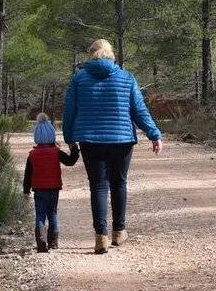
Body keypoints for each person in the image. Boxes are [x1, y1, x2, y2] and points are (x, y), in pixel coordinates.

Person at [62, 39, 162, 254]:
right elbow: (139, 110)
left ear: (92, 55)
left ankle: (101, 237)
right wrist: (154, 134)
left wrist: (69, 137)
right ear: (112, 55)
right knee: (119, 183)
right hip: (122, 139)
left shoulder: (78, 79)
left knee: (98, 186)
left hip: (90, 140)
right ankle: (119, 231)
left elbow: (69, 110)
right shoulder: (126, 78)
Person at [23, 113, 79, 253]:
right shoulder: (56, 152)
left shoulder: (32, 155)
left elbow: (27, 175)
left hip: (39, 190)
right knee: (52, 214)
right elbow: (70, 161)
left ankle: (41, 242)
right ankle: (53, 242)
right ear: (52, 134)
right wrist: (74, 149)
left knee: (40, 215)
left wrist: (26, 191)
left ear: (36, 136)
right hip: (53, 188)